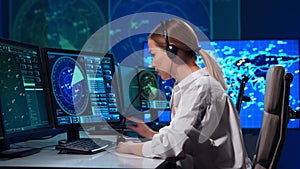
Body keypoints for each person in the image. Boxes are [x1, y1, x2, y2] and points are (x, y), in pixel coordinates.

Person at [116, 18, 251, 169]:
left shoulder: (200, 88)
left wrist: (129, 148)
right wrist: (150, 134)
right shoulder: (187, 86)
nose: (152, 64)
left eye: (153, 55)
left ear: (172, 51)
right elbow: (185, 138)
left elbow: (173, 145)